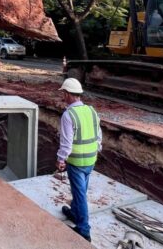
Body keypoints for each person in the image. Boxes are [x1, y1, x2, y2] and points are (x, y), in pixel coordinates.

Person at [56, 78, 102, 242]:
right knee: (81, 189)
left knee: (80, 194)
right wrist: (97, 150)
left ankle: (84, 229)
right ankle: (75, 212)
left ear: (68, 94)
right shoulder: (91, 110)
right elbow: (98, 135)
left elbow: (66, 143)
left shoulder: (68, 115)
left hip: (77, 162)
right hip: (91, 160)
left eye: (63, 93)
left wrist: (61, 159)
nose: (62, 96)